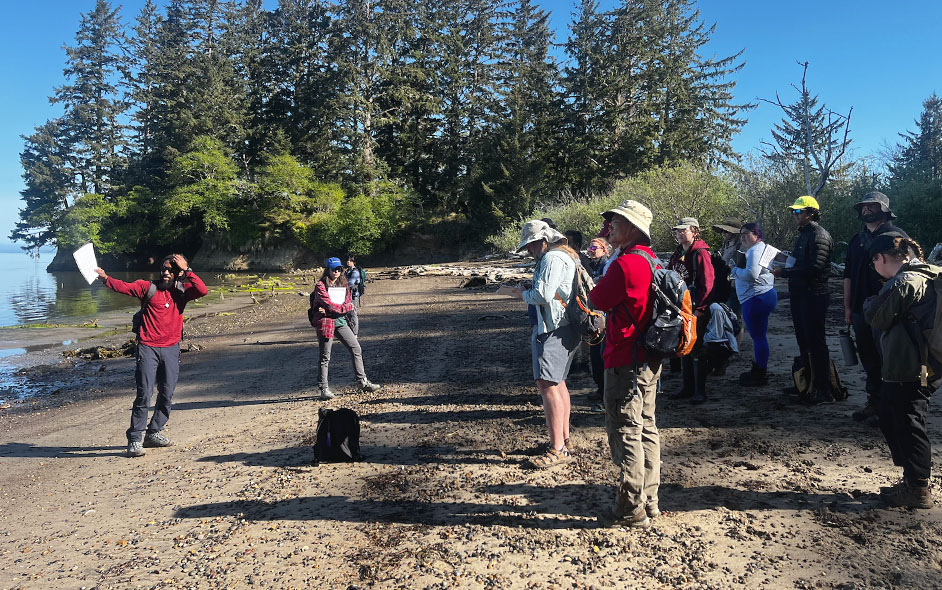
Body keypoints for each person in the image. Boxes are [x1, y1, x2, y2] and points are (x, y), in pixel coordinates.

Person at [588, 200, 662, 528]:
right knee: (647, 426)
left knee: (625, 429)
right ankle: (651, 500)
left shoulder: (625, 265)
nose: (610, 227)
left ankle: (631, 507)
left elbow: (597, 299)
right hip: (649, 357)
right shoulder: (652, 261)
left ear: (631, 228)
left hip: (624, 359)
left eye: (616, 221)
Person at [94, 254, 208, 458]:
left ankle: (154, 432)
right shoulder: (147, 288)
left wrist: (188, 269)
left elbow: (202, 290)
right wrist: (104, 278)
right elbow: (122, 286)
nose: (165, 272)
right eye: (163, 269)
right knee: (144, 394)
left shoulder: (182, 292)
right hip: (148, 348)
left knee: (167, 393)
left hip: (172, 348)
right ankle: (135, 439)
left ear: (178, 274)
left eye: (170, 270)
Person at [863, 234, 937, 509]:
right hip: (928, 362)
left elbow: (878, 317)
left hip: (910, 364)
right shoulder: (929, 273)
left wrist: (869, 302)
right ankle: (912, 480)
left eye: (874, 264)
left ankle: (917, 488)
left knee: (907, 421)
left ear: (880, 258)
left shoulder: (904, 281)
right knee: (895, 415)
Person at [510, 220, 579, 469]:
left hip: (553, 328)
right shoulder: (564, 256)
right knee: (557, 382)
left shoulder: (551, 259)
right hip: (566, 327)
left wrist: (520, 294)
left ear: (543, 241)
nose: (529, 250)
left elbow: (542, 296)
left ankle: (556, 448)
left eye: (531, 244)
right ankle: (564, 439)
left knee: (547, 384)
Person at [842, 192, 908, 422]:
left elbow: (910, 276)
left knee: (889, 359)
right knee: (869, 358)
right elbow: (848, 275)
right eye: (863, 207)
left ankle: (893, 409)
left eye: (872, 206)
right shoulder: (856, 240)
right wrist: (848, 307)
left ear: (884, 209)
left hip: (891, 310)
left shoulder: (896, 237)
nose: (866, 210)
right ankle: (875, 403)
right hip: (861, 309)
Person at [772, 196, 835, 404]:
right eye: (794, 212)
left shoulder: (819, 235)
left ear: (811, 213)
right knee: (803, 340)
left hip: (814, 295)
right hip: (801, 295)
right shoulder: (804, 235)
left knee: (816, 342)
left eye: (799, 212)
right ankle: (805, 382)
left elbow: (815, 268)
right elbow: (803, 263)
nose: (795, 215)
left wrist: (785, 272)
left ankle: (822, 387)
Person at [311, 257, 381, 400]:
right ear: (327, 270)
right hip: (326, 324)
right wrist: (339, 309)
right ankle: (324, 388)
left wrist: (335, 310)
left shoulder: (343, 283)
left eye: (339, 269)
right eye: (334, 269)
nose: (337, 271)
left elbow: (348, 304)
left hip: (341, 322)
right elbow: (331, 304)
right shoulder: (320, 285)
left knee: (356, 348)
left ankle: (362, 382)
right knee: (325, 357)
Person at [668, 217, 714, 404]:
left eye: (683, 230)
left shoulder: (700, 254)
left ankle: (699, 391)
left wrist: (701, 309)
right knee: (684, 345)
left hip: (695, 307)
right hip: (681, 306)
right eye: (677, 231)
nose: (679, 233)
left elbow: (708, 284)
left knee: (697, 348)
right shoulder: (679, 252)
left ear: (694, 231)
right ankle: (687, 388)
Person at [730, 223, 778, 386]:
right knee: (760, 336)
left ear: (756, 234)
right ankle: (759, 369)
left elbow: (751, 274)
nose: (742, 236)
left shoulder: (754, 251)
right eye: (741, 234)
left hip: (756, 297)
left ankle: (760, 373)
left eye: (746, 233)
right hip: (764, 295)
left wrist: (735, 270)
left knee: (758, 337)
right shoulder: (764, 248)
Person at [585, 237, 611, 403]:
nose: (591, 249)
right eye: (590, 246)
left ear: (604, 249)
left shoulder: (607, 265)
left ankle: (605, 391)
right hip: (592, 312)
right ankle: (600, 388)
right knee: (594, 354)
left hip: (603, 315)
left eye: (594, 247)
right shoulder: (590, 265)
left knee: (601, 354)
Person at [712, 217, 744, 314]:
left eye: (726, 231)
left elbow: (740, 265)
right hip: (724, 282)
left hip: (735, 284)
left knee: (734, 313)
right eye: (723, 231)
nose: (724, 233)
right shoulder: (725, 243)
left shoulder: (740, 245)